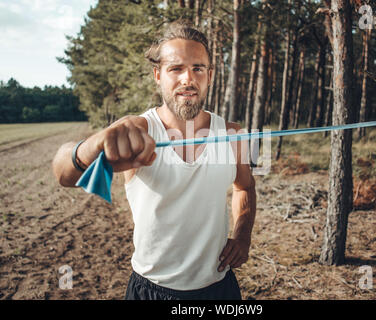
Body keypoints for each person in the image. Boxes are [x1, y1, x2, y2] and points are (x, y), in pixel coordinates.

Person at [52, 21, 256, 300]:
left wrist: (243, 236)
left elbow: (245, 187)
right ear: (157, 74)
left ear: (209, 75)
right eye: (176, 68)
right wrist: (90, 147)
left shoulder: (232, 134)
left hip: (220, 288)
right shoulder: (140, 129)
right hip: (151, 290)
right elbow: (63, 173)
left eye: (198, 68)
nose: (188, 78)